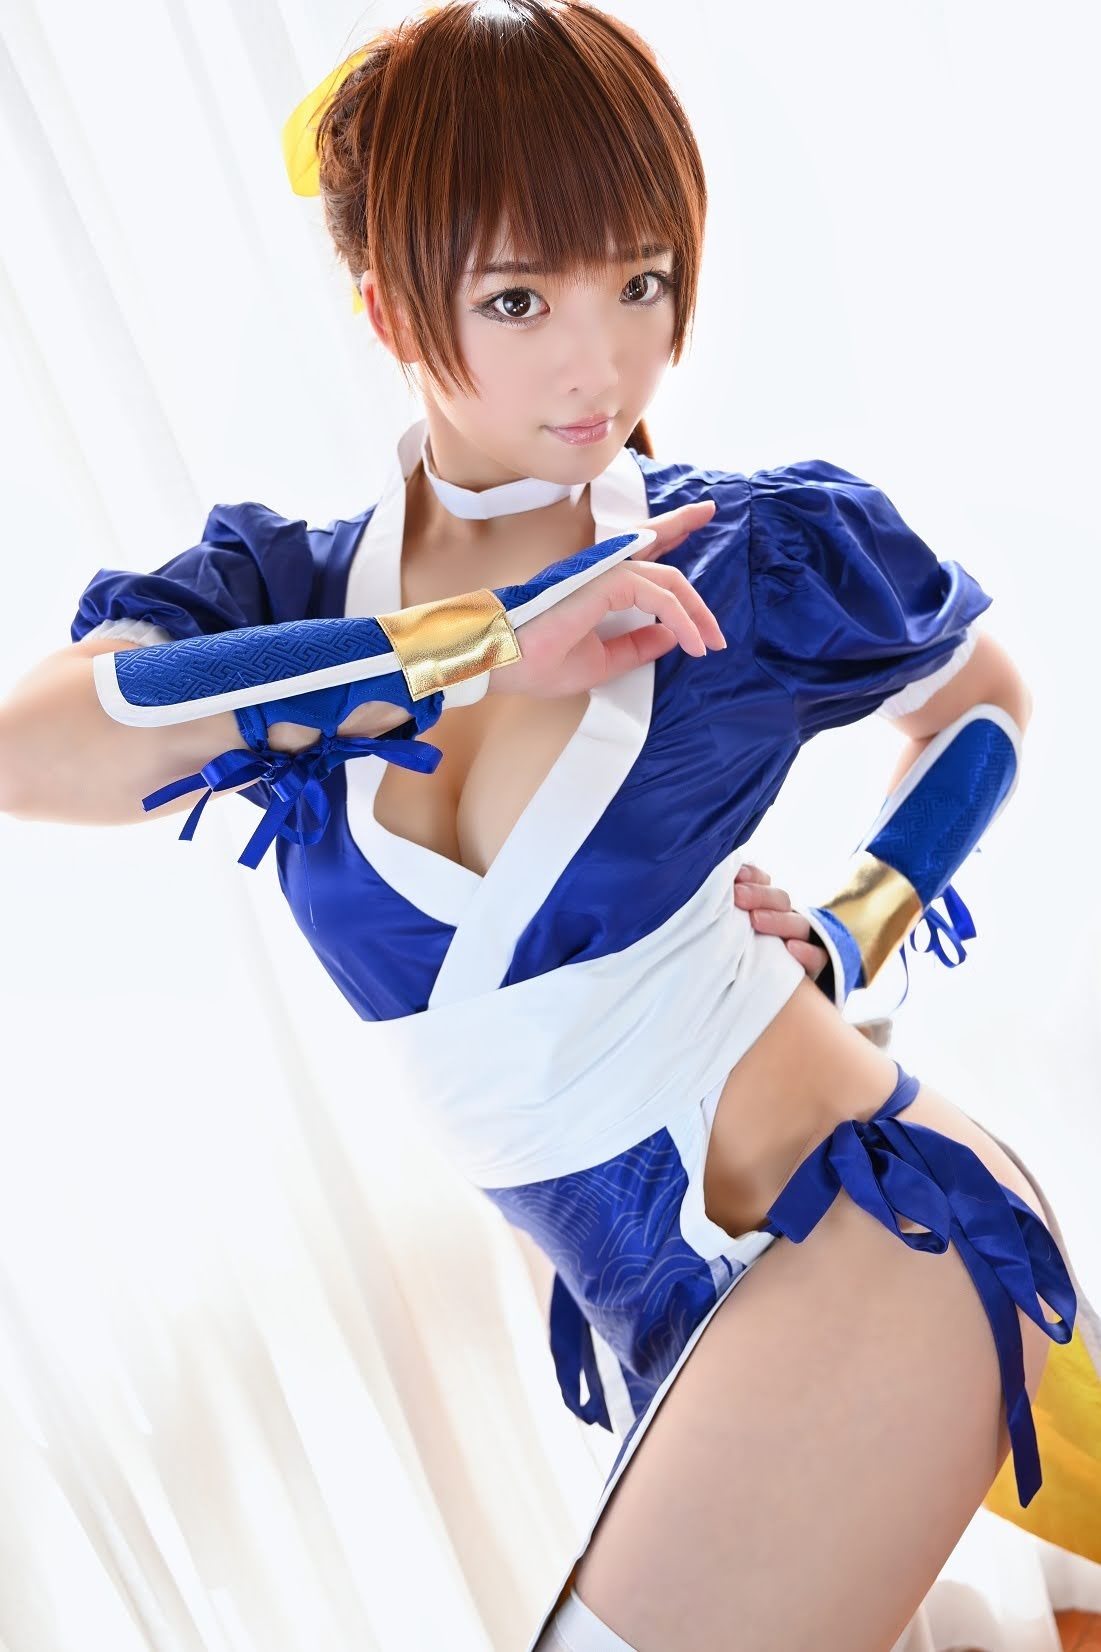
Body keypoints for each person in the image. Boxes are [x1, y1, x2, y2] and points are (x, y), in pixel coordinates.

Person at [3, 3, 1100, 1648]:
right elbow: (40, 750)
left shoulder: (747, 554)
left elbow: (984, 699)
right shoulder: (280, 596)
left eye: (638, 283)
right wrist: (478, 644)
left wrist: (851, 925)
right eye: (518, 299)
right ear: (388, 305)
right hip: (660, 1324)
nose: (600, 364)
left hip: (869, 1234)